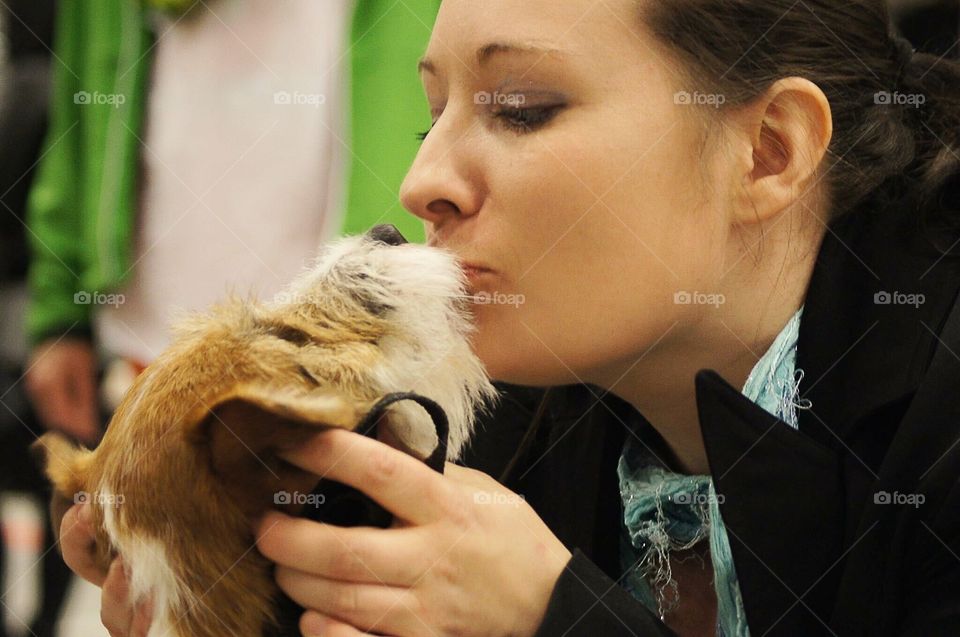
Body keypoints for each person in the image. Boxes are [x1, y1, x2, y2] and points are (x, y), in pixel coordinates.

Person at [58, 0, 960, 635]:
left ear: (768, 152)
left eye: (521, 110)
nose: (420, 185)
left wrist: (554, 618)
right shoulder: (513, 405)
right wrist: (266, 599)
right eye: (431, 117)